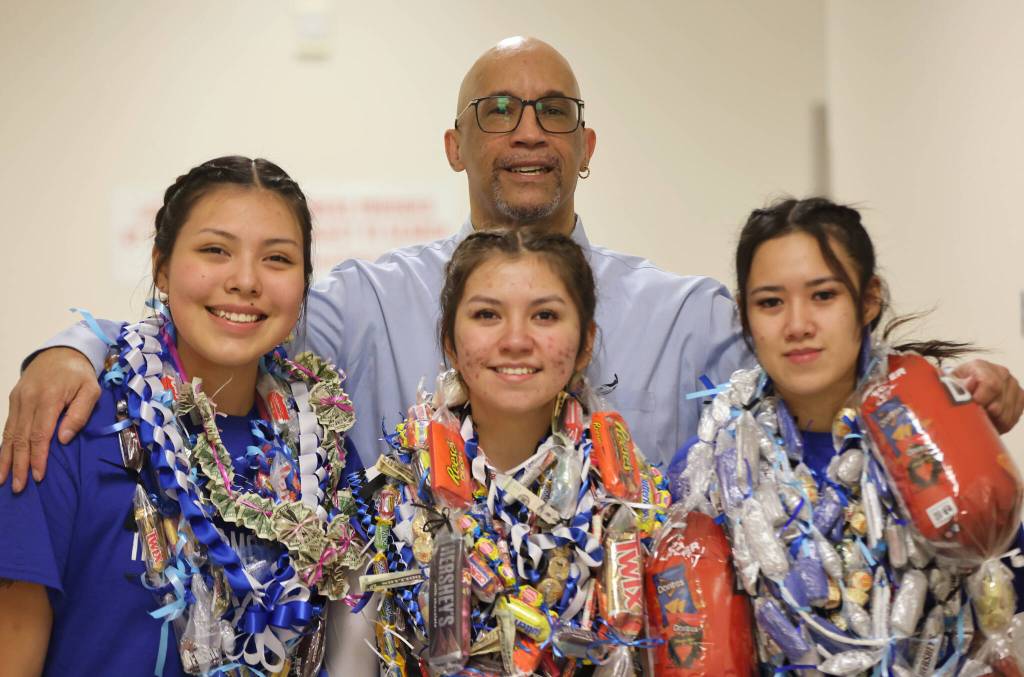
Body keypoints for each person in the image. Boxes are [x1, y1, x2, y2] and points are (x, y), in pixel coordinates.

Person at [2, 37, 1020, 489]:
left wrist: (951, 382)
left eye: (555, 111)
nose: (527, 129)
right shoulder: (364, 302)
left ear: (586, 144)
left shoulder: (679, 313)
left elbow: (818, 354)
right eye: (497, 110)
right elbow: (226, 313)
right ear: (455, 146)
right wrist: (75, 342)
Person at [0, 156, 363, 676]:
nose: (245, 280)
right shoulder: (69, 424)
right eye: (215, 250)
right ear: (161, 267)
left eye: (277, 259)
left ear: (304, 284)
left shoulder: (323, 450)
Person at [673, 197, 1024, 674]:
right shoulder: (709, 470)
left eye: (824, 295)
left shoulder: (930, 432)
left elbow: (1003, 600)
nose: (798, 326)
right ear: (744, 314)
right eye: (771, 302)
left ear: (868, 299)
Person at [339, 227, 671, 676]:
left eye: (546, 316)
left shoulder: (638, 505)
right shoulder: (387, 500)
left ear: (586, 343)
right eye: (487, 315)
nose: (515, 339)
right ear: (450, 344)